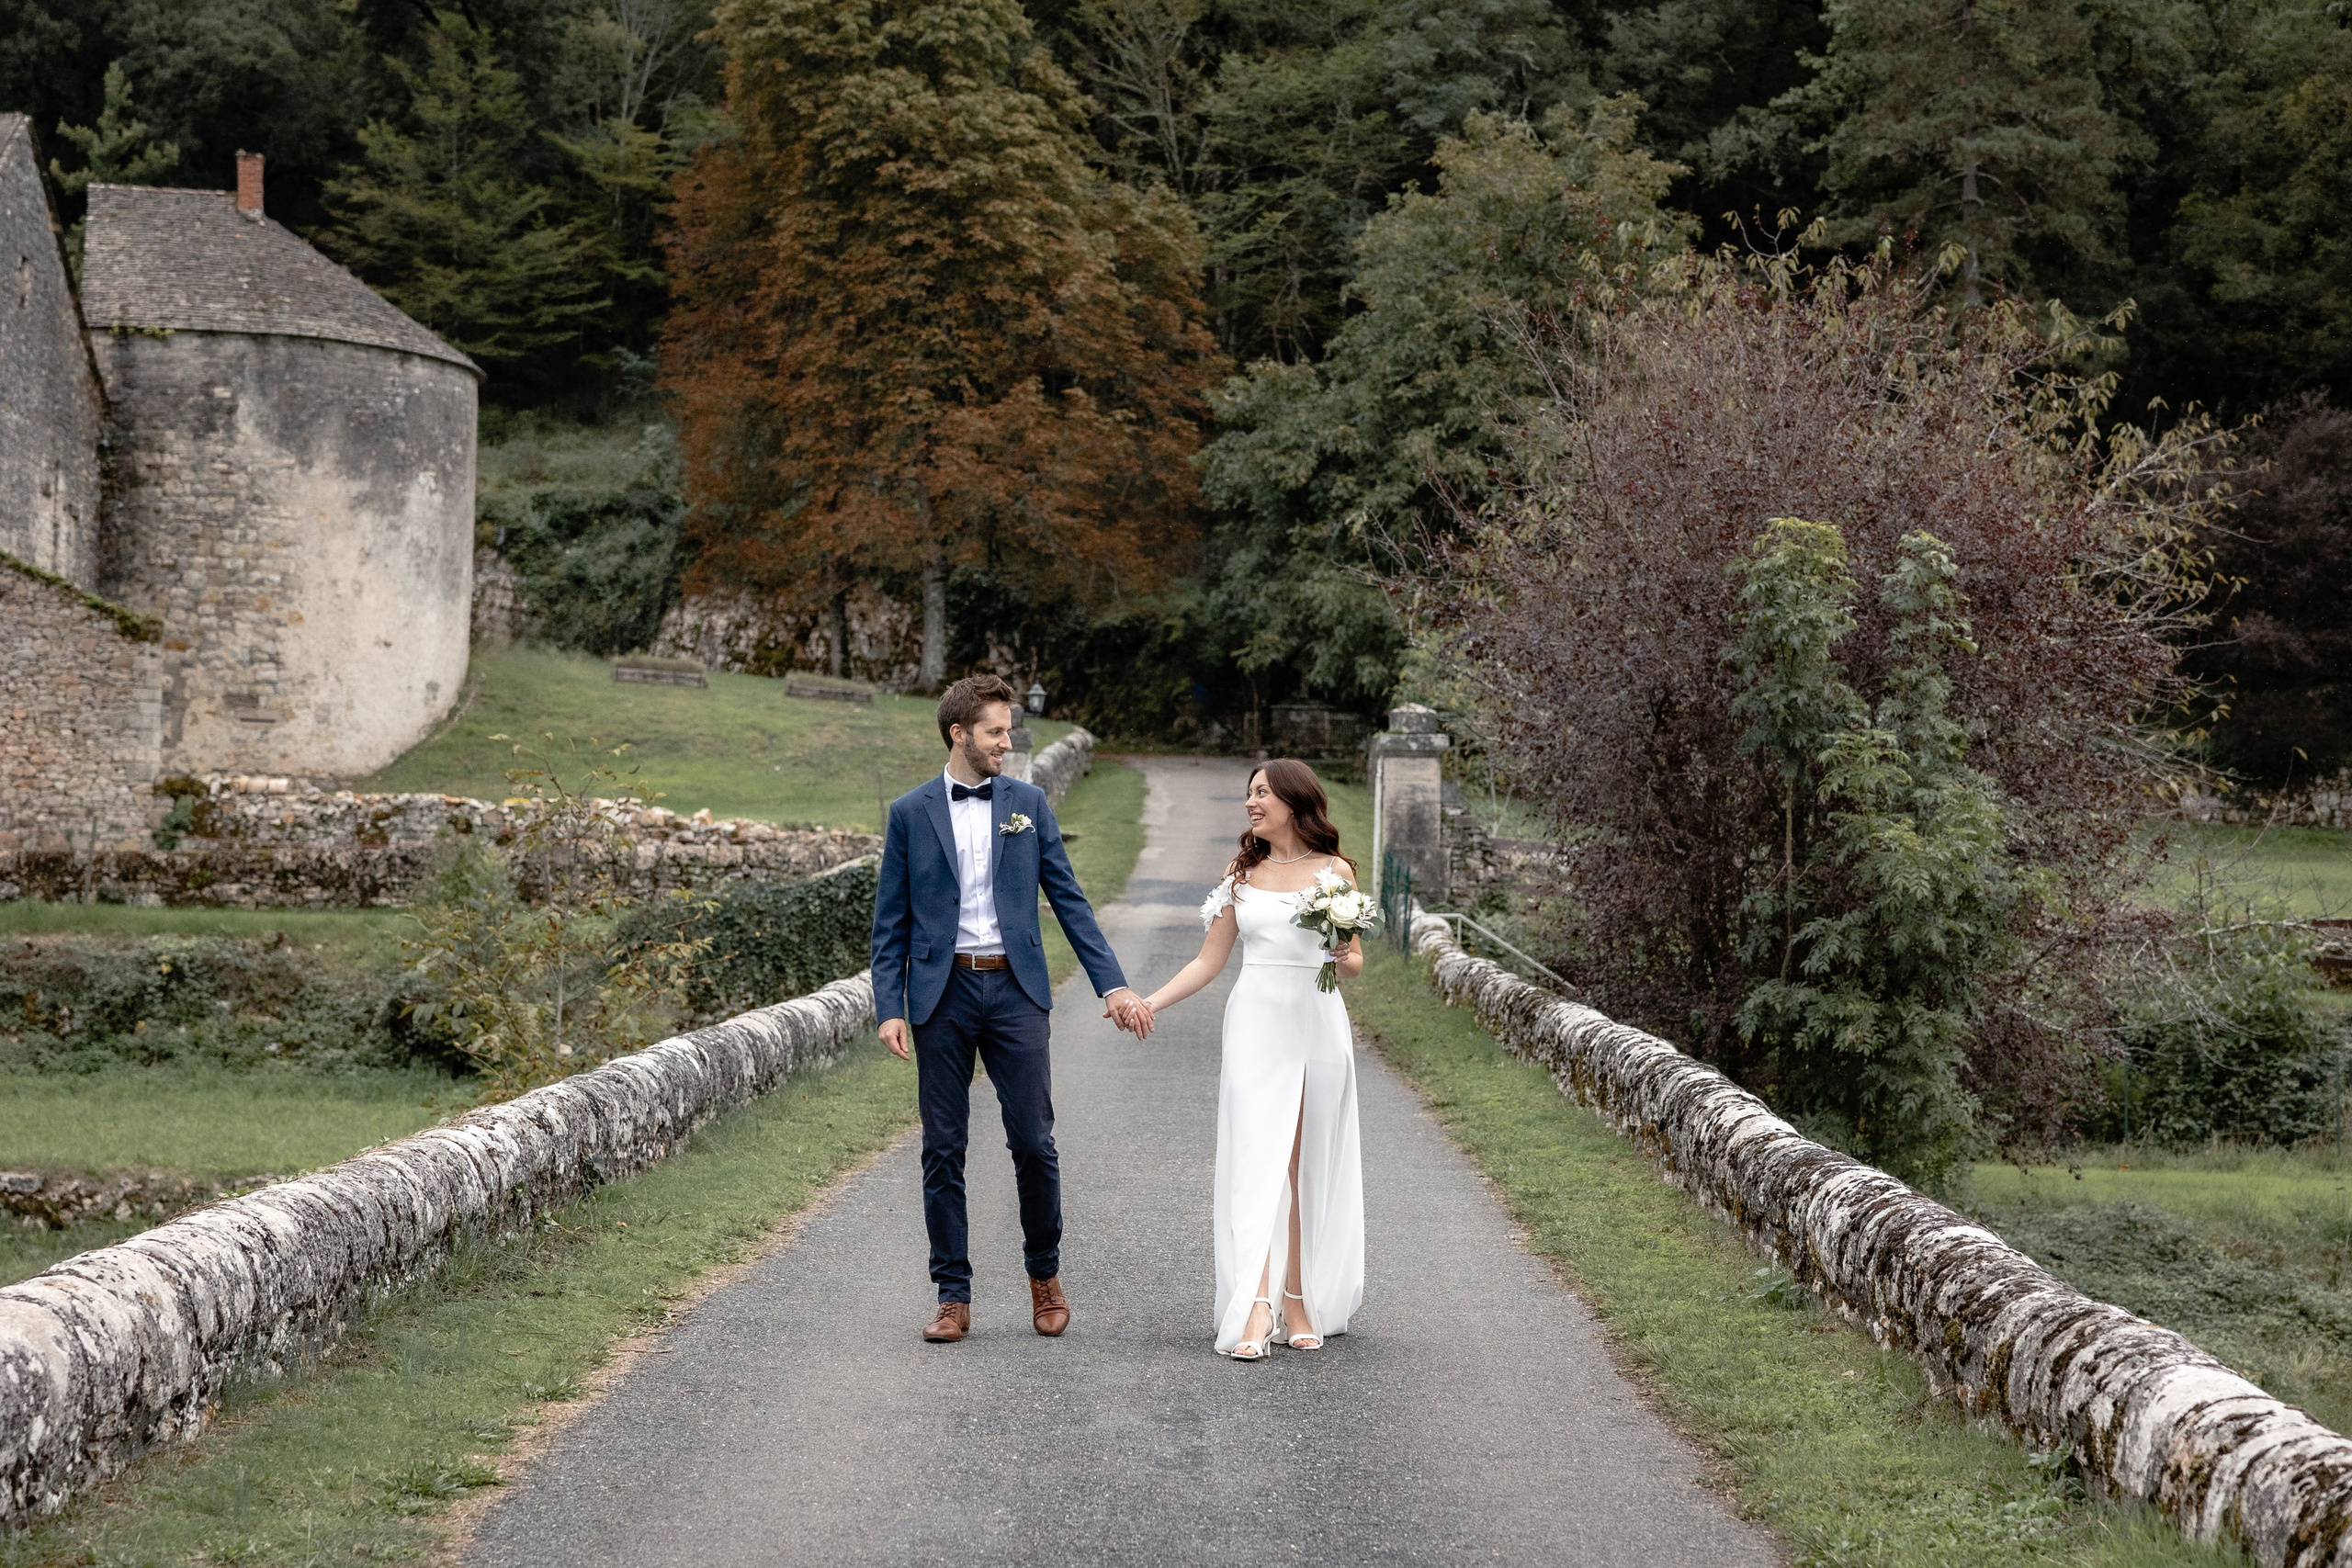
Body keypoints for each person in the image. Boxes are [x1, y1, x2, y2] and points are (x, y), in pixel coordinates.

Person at [869, 674, 1155, 1344]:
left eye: (1006, 731)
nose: (1007, 741)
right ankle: (952, 1293)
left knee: (1033, 1140)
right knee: (943, 1146)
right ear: (958, 733)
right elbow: (891, 922)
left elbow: (1070, 898)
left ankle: (1044, 1274)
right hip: (940, 994)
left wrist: (1110, 984)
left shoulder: (1026, 803)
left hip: (1016, 990)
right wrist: (889, 1005)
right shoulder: (910, 813)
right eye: (995, 731)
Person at [1136, 759, 1366, 1359]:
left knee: (1300, 1162)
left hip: (1316, 1022)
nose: (1251, 802)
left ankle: (1298, 1298)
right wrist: (1149, 1000)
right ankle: (1258, 1304)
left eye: (1261, 792)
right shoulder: (1242, 873)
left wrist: (1341, 952)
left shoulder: (1334, 871)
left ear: (1294, 801)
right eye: (1249, 792)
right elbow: (1209, 962)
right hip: (1256, 1025)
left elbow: (1354, 962)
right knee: (1258, 1159)